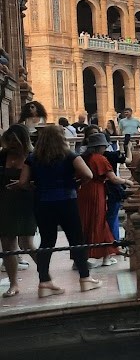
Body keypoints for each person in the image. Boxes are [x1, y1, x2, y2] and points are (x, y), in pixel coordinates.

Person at [16, 123, 98, 296]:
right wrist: (77, 184)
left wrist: (35, 188)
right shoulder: (69, 155)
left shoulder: (32, 158)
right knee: (76, 240)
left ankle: (44, 282)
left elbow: (22, 182)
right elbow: (89, 175)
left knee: (46, 242)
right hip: (67, 201)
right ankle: (85, 279)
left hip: (43, 203)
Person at [80, 133, 129, 267]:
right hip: (96, 191)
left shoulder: (82, 158)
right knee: (100, 222)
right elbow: (113, 178)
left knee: (85, 223)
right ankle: (106, 257)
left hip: (83, 191)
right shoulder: (100, 159)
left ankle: (82, 257)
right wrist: (126, 181)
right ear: (100, 146)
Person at [0, 125, 36, 297]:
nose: (12, 144)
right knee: (7, 244)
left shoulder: (33, 157)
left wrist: (25, 185)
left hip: (26, 202)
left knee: (27, 243)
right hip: (4, 203)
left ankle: (46, 275)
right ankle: (13, 283)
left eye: (15, 141)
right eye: (9, 141)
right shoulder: (2, 156)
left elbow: (41, 183)